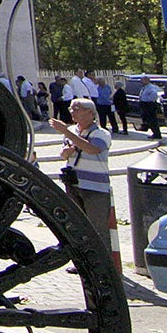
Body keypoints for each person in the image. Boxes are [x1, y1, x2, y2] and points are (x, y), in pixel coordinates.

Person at [51, 97, 113, 242]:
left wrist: (66, 132)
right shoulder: (72, 131)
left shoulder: (101, 133)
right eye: (71, 109)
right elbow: (63, 155)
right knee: (76, 227)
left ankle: (102, 263)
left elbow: (92, 149)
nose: (72, 112)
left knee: (97, 230)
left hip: (95, 187)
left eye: (76, 108)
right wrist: (66, 151)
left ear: (90, 113)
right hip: (73, 184)